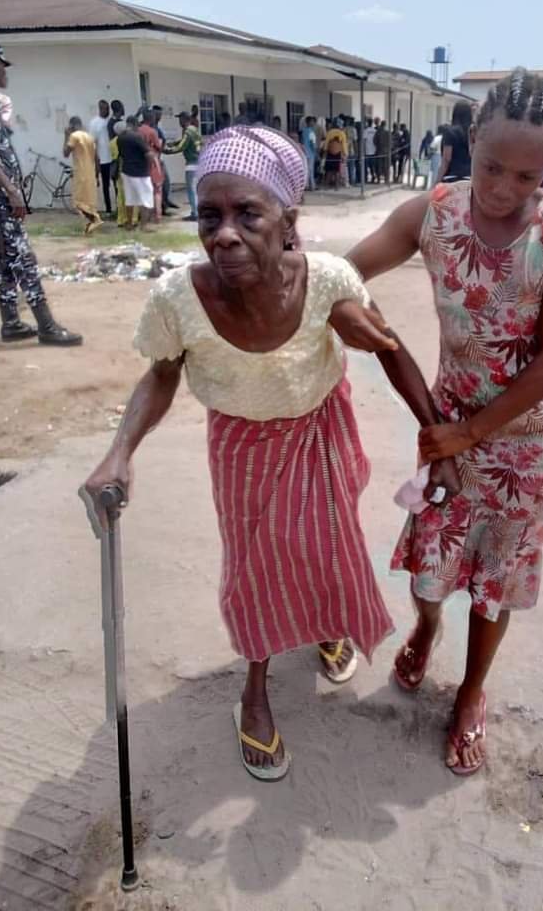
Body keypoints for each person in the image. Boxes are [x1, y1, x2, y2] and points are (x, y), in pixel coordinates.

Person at [81, 124, 452, 781]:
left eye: (247, 214)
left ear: (287, 221)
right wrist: (120, 451)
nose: (224, 234)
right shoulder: (178, 296)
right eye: (210, 215)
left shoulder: (330, 280)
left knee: (323, 544)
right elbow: (163, 373)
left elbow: (390, 350)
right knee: (255, 563)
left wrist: (436, 436)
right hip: (242, 442)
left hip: (320, 427)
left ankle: (326, 624)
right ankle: (254, 691)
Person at [343, 67, 543, 776]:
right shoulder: (433, 213)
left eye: (528, 175)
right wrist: (346, 306)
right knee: (433, 567)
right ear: (472, 139)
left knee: (496, 579)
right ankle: (426, 633)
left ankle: (473, 691)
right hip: (448, 429)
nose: (505, 188)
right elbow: (346, 272)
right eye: (493, 166)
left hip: (526, 442)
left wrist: (472, 432)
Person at [0, 42, 82, 345]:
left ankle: (11, 323)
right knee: (23, 258)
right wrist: (11, 189)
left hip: (0, 195)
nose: (6, 72)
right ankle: (46, 325)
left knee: (6, 259)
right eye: (3, 65)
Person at [63, 116, 103, 235]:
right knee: (88, 201)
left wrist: (65, 136)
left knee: (78, 202)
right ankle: (91, 225)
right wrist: (97, 174)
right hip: (90, 172)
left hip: (80, 172)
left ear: (72, 126)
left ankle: (95, 220)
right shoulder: (90, 137)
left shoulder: (74, 137)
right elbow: (97, 158)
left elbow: (65, 153)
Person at [116, 116, 154, 230]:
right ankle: (144, 225)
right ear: (135, 124)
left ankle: (128, 224)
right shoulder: (137, 137)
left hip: (126, 171)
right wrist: (151, 165)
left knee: (130, 199)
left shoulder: (120, 138)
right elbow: (148, 154)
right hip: (140, 172)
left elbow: (122, 155)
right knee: (146, 198)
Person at [164, 111, 202, 221]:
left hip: (192, 163)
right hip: (199, 162)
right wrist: (174, 143)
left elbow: (182, 146)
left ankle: (195, 214)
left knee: (191, 190)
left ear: (185, 119)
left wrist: (168, 151)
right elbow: (184, 142)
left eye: (180, 119)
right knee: (195, 189)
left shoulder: (188, 131)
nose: (179, 122)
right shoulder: (194, 129)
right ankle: (197, 211)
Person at [436, 100, 473, 183]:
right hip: (470, 176)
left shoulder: (449, 132)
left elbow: (446, 159)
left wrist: (436, 182)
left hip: (452, 176)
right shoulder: (474, 132)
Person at [152, 105, 180, 215]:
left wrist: (163, 148)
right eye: (157, 115)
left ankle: (165, 202)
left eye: (160, 115)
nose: (159, 117)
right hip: (154, 160)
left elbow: (163, 139)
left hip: (159, 158)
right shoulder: (151, 128)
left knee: (166, 182)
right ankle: (162, 207)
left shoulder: (158, 127)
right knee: (159, 184)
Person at [138, 109, 164, 222]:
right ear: (151, 119)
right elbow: (158, 146)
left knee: (143, 191)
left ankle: (145, 216)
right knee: (157, 189)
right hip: (152, 162)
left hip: (140, 163)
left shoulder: (137, 130)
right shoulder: (152, 131)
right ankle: (157, 215)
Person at [89, 99, 114, 213]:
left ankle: (118, 207)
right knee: (105, 185)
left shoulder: (110, 122)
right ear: (100, 109)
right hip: (102, 159)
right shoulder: (94, 123)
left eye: (108, 108)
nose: (107, 111)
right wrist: (96, 161)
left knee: (116, 183)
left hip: (113, 158)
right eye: (105, 109)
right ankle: (108, 208)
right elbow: (92, 143)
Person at [109, 120, 128, 228]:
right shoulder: (126, 140)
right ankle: (132, 219)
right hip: (127, 169)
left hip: (117, 171)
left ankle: (120, 219)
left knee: (120, 196)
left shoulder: (112, 143)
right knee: (129, 196)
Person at [300, 115, 317, 191]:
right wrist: (315, 152)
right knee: (310, 170)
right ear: (309, 122)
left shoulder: (303, 131)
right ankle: (311, 186)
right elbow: (312, 144)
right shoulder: (311, 132)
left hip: (303, 152)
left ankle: (306, 185)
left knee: (306, 169)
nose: (313, 123)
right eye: (312, 121)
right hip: (310, 153)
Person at [363, 117, 377, 183]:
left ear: (367, 123)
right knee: (372, 166)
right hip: (373, 151)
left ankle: (366, 179)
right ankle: (373, 177)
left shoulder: (366, 131)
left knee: (366, 166)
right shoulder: (375, 130)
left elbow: (364, 140)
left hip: (367, 151)